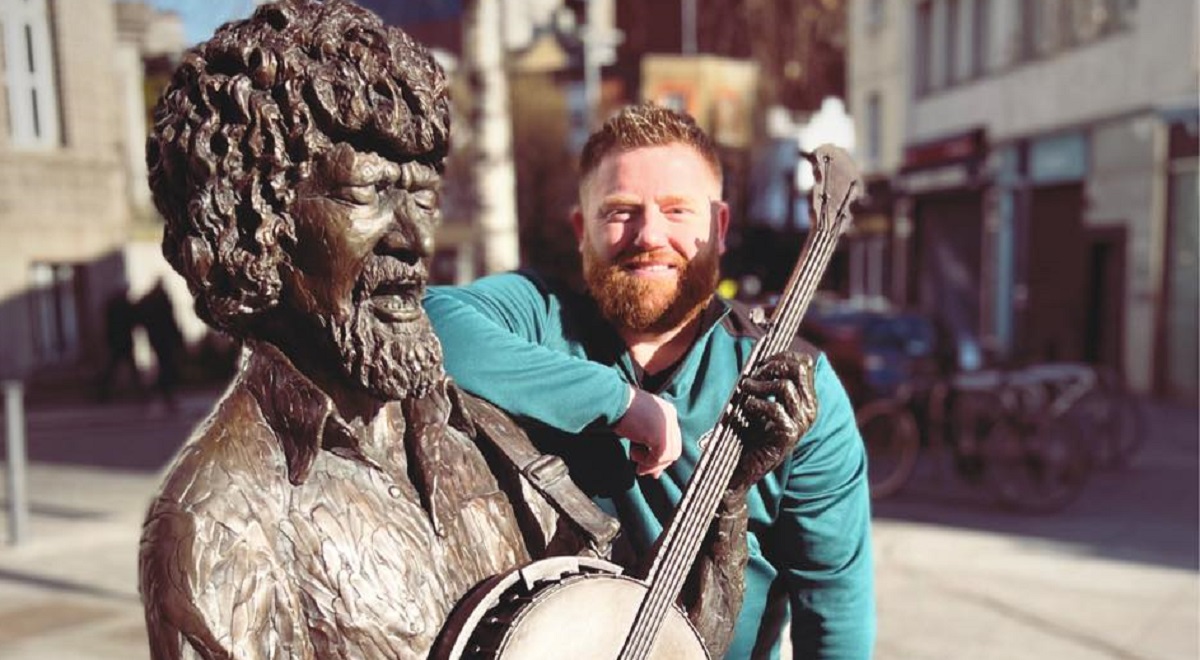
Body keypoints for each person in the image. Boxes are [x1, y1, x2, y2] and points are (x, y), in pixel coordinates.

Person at [137, 3, 780, 658]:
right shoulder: (217, 524)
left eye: (421, 195)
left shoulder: (476, 426)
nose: (415, 239)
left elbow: (642, 642)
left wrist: (727, 492)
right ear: (256, 226)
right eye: (365, 194)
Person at [426, 104, 876, 659]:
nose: (649, 234)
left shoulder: (788, 383)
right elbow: (427, 319)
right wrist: (618, 402)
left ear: (719, 227)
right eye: (621, 211)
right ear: (582, 230)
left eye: (677, 210)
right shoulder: (540, 317)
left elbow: (834, 613)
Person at [137, 279, 185, 409]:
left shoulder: (147, 301)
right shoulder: (162, 300)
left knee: (164, 365)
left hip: (155, 338)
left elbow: (141, 318)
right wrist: (178, 337)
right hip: (165, 339)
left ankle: (161, 392)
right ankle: (165, 392)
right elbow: (171, 320)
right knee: (167, 366)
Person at [96, 285, 142, 402]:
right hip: (124, 341)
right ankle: (141, 393)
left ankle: (103, 392)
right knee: (126, 368)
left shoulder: (113, 305)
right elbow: (134, 320)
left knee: (113, 368)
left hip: (116, 341)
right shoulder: (125, 305)